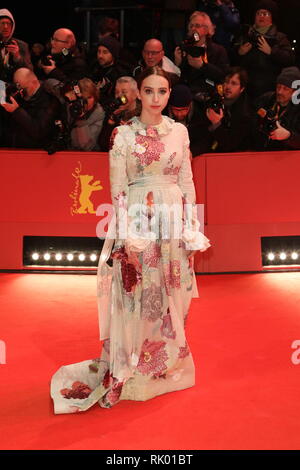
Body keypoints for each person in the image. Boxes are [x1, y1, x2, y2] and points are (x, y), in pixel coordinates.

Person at [50, 66, 210, 414]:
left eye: (162, 91)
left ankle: (165, 364)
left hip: (173, 221)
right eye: (149, 91)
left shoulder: (179, 132)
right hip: (139, 216)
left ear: (169, 95)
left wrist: (192, 225)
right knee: (139, 294)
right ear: (139, 93)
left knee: (174, 295)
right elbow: (118, 189)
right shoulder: (122, 135)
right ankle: (134, 365)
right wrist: (127, 233)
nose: (156, 98)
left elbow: (187, 182)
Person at [234, 0, 294, 99]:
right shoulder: (245, 36)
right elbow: (231, 60)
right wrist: (239, 52)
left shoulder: (279, 37)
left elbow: (289, 59)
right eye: (258, 13)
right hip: (244, 90)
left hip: (268, 91)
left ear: (272, 17)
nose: (261, 16)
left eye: (265, 14)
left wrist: (271, 52)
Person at [189, 66, 253, 155]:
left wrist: (216, 124)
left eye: (233, 83)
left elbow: (230, 145)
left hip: (234, 157)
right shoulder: (216, 100)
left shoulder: (244, 113)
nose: (228, 86)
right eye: (226, 82)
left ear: (242, 89)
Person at [174, 10, 229, 102]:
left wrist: (203, 66)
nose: (194, 29)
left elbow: (223, 75)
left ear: (207, 29)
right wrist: (178, 64)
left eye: (197, 26)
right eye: (191, 26)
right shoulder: (183, 48)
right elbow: (180, 79)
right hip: (188, 97)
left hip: (210, 96)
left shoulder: (219, 50)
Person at [0, 67, 61, 149]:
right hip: (13, 148)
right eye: (18, 88)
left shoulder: (50, 100)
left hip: (35, 152)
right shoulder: (21, 95)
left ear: (34, 82)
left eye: (23, 89)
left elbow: (39, 131)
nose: (20, 93)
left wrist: (17, 111)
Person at [253, 66, 300, 150]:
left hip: (287, 155)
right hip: (260, 151)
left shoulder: (297, 110)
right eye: (278, 86)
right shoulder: (266, 99)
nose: (280, 92)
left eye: (286, 89)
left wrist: (289, 136)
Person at [98, 75, 140, 151]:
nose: (119, 96)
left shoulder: (144, 115)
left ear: (136, 94)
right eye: (117, 92)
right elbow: (103, 145)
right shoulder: (112, 114)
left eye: (124, 92)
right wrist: (110, 124)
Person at [89, 36, 132, 109]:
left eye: (105, 52)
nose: (100, 56)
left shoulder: (121, 74)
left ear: (113, 54)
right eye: (99, 51)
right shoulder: (94, 68)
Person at [0, 9, 33, 82]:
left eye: (8, 23)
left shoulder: (22, 45)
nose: (5, 26)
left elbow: (29, 71)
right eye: (2, 23)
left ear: (13, 26)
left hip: (15, 85)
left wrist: (17, 57)